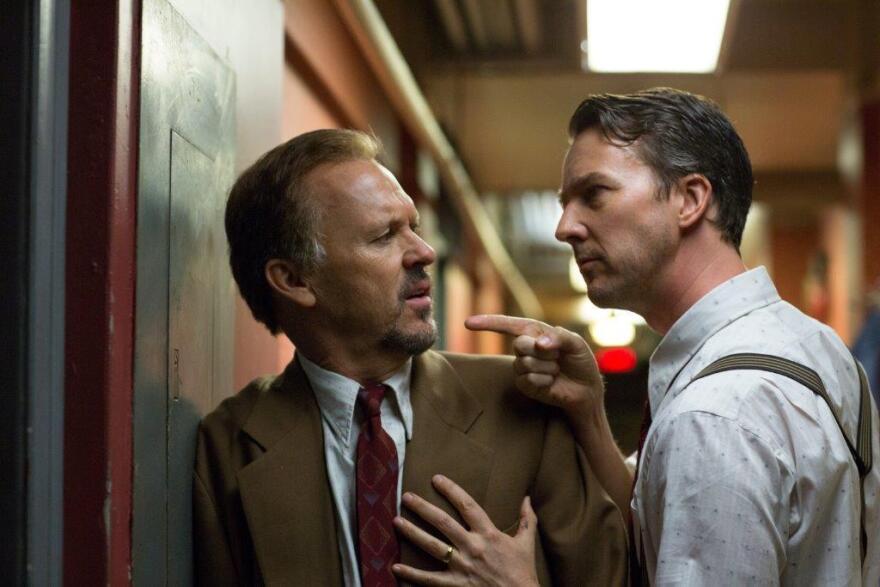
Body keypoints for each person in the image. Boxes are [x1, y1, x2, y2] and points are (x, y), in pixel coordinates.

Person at [394, 88, 880, 586]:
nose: (565, 227)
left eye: (594, 195)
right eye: (565, 203)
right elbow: (675, 518)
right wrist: (588, 411)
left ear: (690, 200)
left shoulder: (715, 416)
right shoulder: (815, 346)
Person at [192, 128, 627, 585]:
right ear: (294, 280)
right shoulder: (227, 446)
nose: (424, 252)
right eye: (383, 237)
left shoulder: (526, 402)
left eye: (412, 227)